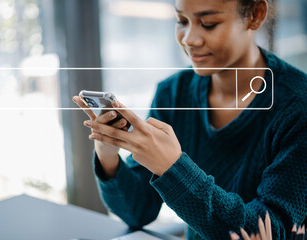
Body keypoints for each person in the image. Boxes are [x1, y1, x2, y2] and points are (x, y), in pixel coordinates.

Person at [72, 0, 307, 239]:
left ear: (255, 15)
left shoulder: (298, 108)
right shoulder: (174, 93)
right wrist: (108, 153)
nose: (189, 39)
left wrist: (172, 168)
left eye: (209, 23)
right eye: (182, 21)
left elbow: (271, 231)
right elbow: (139, 211)